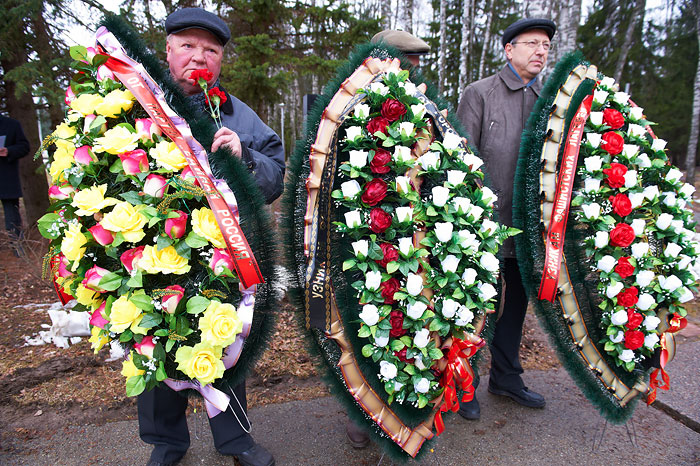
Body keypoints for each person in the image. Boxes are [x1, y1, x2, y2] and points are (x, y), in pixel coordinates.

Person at [138, 8, 284, 466]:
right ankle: (166, 442)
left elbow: (276, 177)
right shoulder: (137, 103)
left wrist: (246, 158)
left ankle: (235, 441)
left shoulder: (238, 115)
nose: (199, 57)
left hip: (219, 260)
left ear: (221, 59)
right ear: (168, 50)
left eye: (211, 50)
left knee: (225, 344)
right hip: (152, 256)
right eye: (188, 46)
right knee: (157, 343)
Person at [455, 17, 556, 420]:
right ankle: (463, 384)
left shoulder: (552, 101)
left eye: (546, 45)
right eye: (531, 43)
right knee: (472, 308)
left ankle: (507, 377)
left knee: (514, 305)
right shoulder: (480, 93)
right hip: (484, 226)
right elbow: (460, 158)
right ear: (509, 49)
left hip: (531, 228)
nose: (540, 51)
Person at [0, 115, 30, 249]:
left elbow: (24, 147)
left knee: (12, 219)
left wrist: (9, 151)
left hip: (6, 179)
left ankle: (18, 248)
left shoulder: (11, 124)